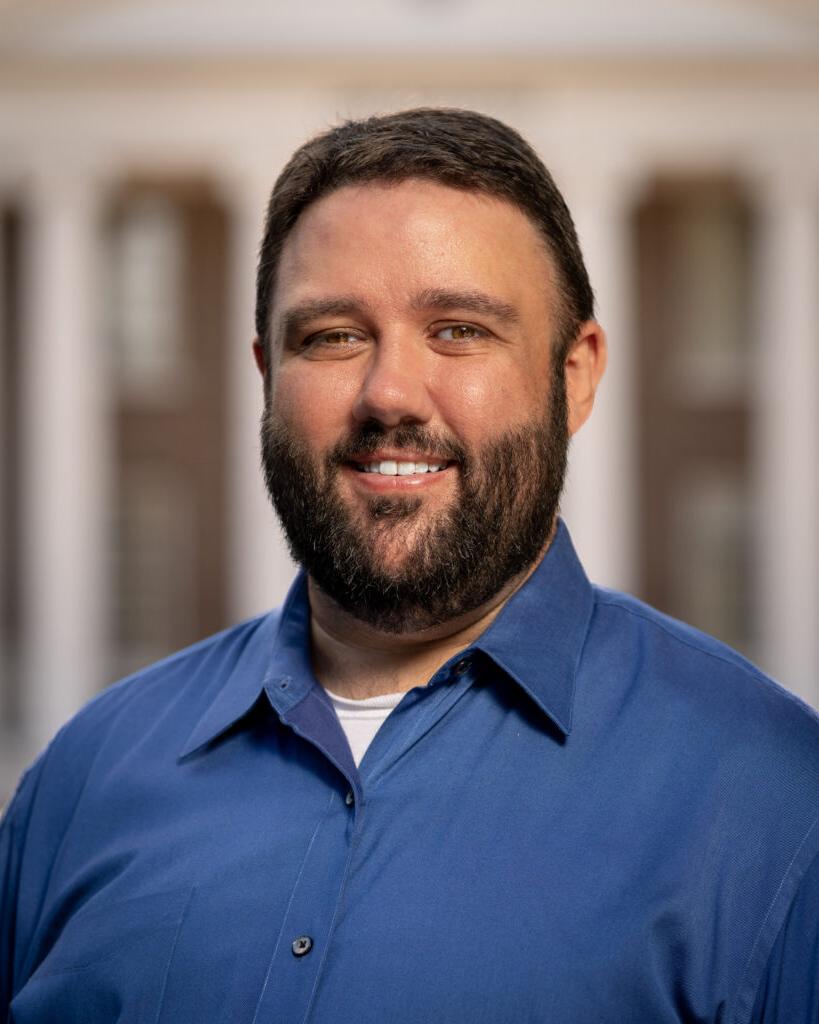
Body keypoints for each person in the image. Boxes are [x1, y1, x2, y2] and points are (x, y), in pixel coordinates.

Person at [2, 108, 818, 1024]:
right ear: (268, 376)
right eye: (332, 336)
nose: (388, 392)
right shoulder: (84, 780)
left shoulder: (775, 801)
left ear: (576, 374)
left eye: (460, 329)